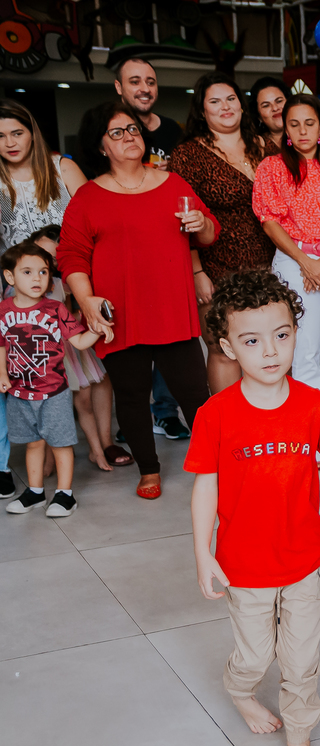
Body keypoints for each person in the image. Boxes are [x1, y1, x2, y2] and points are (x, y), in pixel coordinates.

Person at [186, 271, 320, 746]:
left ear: (296, 333)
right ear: (227, 346)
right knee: (255, 655)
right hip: (244, 563)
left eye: (281, 335)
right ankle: (239, 690)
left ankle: (299, 739)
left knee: (301, 662)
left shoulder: (315, 405)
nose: (270, 351)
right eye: (251, 341)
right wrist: (203, 554)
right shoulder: (215, 416)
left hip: (305, 557)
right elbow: (205, 489)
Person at [58, 100, 218, 499]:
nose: (129, 136)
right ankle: (149, 469)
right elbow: (71, 256)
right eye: (117, 132)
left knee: (196, 395)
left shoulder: (173, 183)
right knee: (131, 397)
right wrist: (88, 300)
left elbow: (208, 234)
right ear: (100, 146)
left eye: (133, 129)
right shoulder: (88, 198)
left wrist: (203, 224)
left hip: (171, 310)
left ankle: (216, 463)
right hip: (120, 315)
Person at [172, 71, 278, 394]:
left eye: (231, 99)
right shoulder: (188, 155)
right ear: (203, 112)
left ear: (242, 105)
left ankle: (263, 419)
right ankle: (227, 426)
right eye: (215, 102)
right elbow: (182, 219)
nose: (225, 107)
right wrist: (196, 271)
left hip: (269, 264)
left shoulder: (266, 148)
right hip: (216, 266)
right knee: (223, 347)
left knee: (266, 346)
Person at [252, 94, 320, 400]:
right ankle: (312, 440)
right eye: (294, 124)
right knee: (304, 352)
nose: (302, 131)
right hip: (291, 260)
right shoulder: (271, 168)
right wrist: (305, 261)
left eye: (309, 123)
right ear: (285, 129)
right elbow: (269, 220)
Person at [1, 241, 112, 516]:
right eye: (27, 272)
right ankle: (35, 492)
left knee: (60, 443)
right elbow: (2, 346)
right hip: (19, 393)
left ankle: (65, 494)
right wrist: (2, 374)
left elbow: (79, 341)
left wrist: (98, 329)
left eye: (43, 271)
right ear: (9, 277)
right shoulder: (3, 310)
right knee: (32, 442)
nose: (37, 278)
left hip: (53, 392)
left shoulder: (55, 309)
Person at [112, 56, 189, 439]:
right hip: (125, 252)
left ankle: (164, 410)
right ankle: (134, 420)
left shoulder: (173, 131)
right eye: (135, 81)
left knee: (171, 338)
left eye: (151, 81)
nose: (144, 88)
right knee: (129, 341)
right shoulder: (106, 128)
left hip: (168, 248)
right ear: (119, 87)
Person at [31, 226, 129, 472]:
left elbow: (72, 309)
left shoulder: (60, 284)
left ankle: (98, 450)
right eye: (42, 254)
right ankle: (52, 458)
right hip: (40, 353)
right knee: (46, 405)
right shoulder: (17, 290)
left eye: (53, 258)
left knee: (83, 399)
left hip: (69, 348)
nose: (47, 262)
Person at [0, 99, 87, 254]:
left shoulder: (63, 168)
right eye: (0, 136)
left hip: (71, 270)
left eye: (17, 134)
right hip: (13, 276)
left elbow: (95, 223)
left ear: (33, 134)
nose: (10, 143)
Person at [249, 76, 290, 149]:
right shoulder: (256, 147)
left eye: (279, 101)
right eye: (266, 106)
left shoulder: (308, 137)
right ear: (259, 116)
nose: (275, 108)